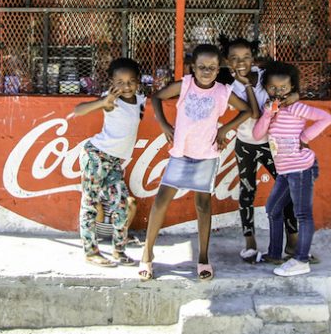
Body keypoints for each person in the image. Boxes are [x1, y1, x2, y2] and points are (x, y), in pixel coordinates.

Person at [138, 44, 257, 281]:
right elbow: (157, 97)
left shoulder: (223, 91)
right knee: (161, 202)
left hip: (207, 154)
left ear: (218, 68)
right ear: (193, 67)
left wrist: (225, 129)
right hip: (181, 153)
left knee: (203, 207)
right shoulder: (185, 85)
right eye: (201, 67)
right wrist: (164, 125)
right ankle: (147, 255)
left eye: (212, 68)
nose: (206, 71)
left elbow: (248, 111)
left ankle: (203, 257)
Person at [248, 62, 331, 277]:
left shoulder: (297, 107)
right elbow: (258, 135)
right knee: (273, 209)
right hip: (285, 171)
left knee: (302, 214)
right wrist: (268, 113)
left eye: (284, 88)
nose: (278, 92)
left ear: (292, 87)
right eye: (273, 88)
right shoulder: (270, 110)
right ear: (266, 88)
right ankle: (274, 253)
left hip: (301, 168)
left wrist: (304, 138)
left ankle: (301, 260)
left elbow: (326, 118)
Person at [219, 35, 300, 262]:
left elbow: (291, 86)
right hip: (246, 145)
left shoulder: (267, 75)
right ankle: (250, 241)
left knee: (288, 189)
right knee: (247, 192)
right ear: (227, 61)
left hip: (272, 145)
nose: (241, 62)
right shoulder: (230, 88)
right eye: (234, 58)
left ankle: (293, 241)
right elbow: (253, 113)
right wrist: (246, 86)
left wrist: (295, 94)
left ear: (253, 57)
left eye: (246, 57)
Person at [71, 58, 145, 267]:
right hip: (95, 156)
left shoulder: (140, 100)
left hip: (113, 162)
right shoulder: (111, 101)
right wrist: (103, 102)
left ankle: (118, 251)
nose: (126, 86)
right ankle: (90, 251)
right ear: (111, 82)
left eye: (131, 81)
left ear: (138, 82)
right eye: (120, 82)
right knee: (90, 203)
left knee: (121, 204)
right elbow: (78, 110)